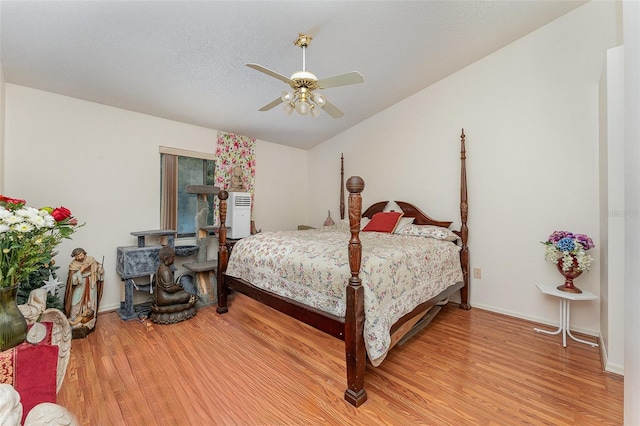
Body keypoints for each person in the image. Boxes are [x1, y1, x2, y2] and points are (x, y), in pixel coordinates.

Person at [149, 245, 197, 324]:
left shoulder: (161, 267)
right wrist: (179, 288)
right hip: (164, 298)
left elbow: (169, 286)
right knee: (186, 295)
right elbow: (169, 289)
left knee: (184, 292)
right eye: (173, 257)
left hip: (161, 296)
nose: (174, 259)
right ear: (166, 258)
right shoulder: (165, 271)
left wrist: (177, 286)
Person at [64, 248, 104, 336]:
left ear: (84, 254)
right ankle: (74, 319)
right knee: (75, 302)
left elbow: (98, 269)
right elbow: (72, 281)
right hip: (80, 286)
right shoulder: (73, 265)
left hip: (91, 283)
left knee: (90, 301)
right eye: (77, 256)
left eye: (81, 255)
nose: (79, 257)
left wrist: (101, 271)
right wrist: (81, 271)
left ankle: (88, 319)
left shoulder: (91, 260)